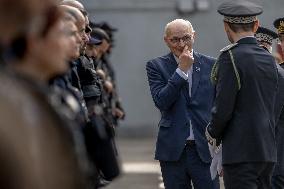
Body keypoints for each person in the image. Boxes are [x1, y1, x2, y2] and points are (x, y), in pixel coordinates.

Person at [0, 1, 88, 188]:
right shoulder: (12, 104)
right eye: (64, 34)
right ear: (34, 41)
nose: (75, 41)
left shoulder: (36, 96)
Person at [206, 1, 279, 188]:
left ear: (226, 27)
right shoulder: (270, 60)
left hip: (240, 153)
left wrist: (212, 132)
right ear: (256, 25)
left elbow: (223, 107)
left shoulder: (230, 57)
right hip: (267, 152)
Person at [146, 19, 219, 189]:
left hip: (204, 149)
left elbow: (218, 106)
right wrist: (181, 71)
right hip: (173, 150)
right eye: (175, 40)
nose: (181, 44)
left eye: (186, 38)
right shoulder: (156, 66)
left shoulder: (212, 65)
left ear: (194, 36)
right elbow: (162, 101)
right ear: (166, 40)